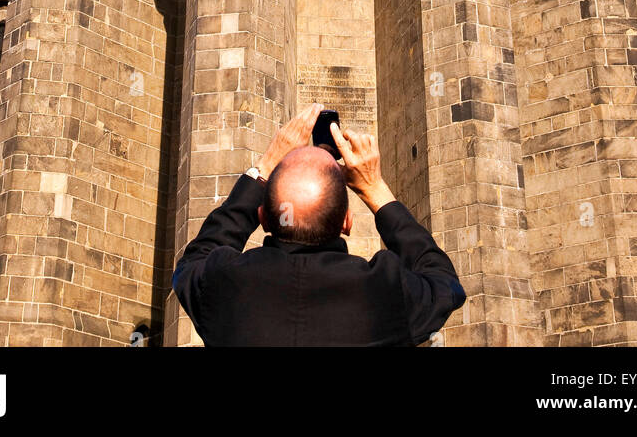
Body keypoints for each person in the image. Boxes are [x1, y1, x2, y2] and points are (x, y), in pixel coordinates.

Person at [172, 103, 466, 347]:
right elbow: (444, 283)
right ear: (347, 223)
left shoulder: (224, 285)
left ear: (262, 218)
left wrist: (266, 166)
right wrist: (374, 189)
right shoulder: (385, 291)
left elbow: (194, 260)